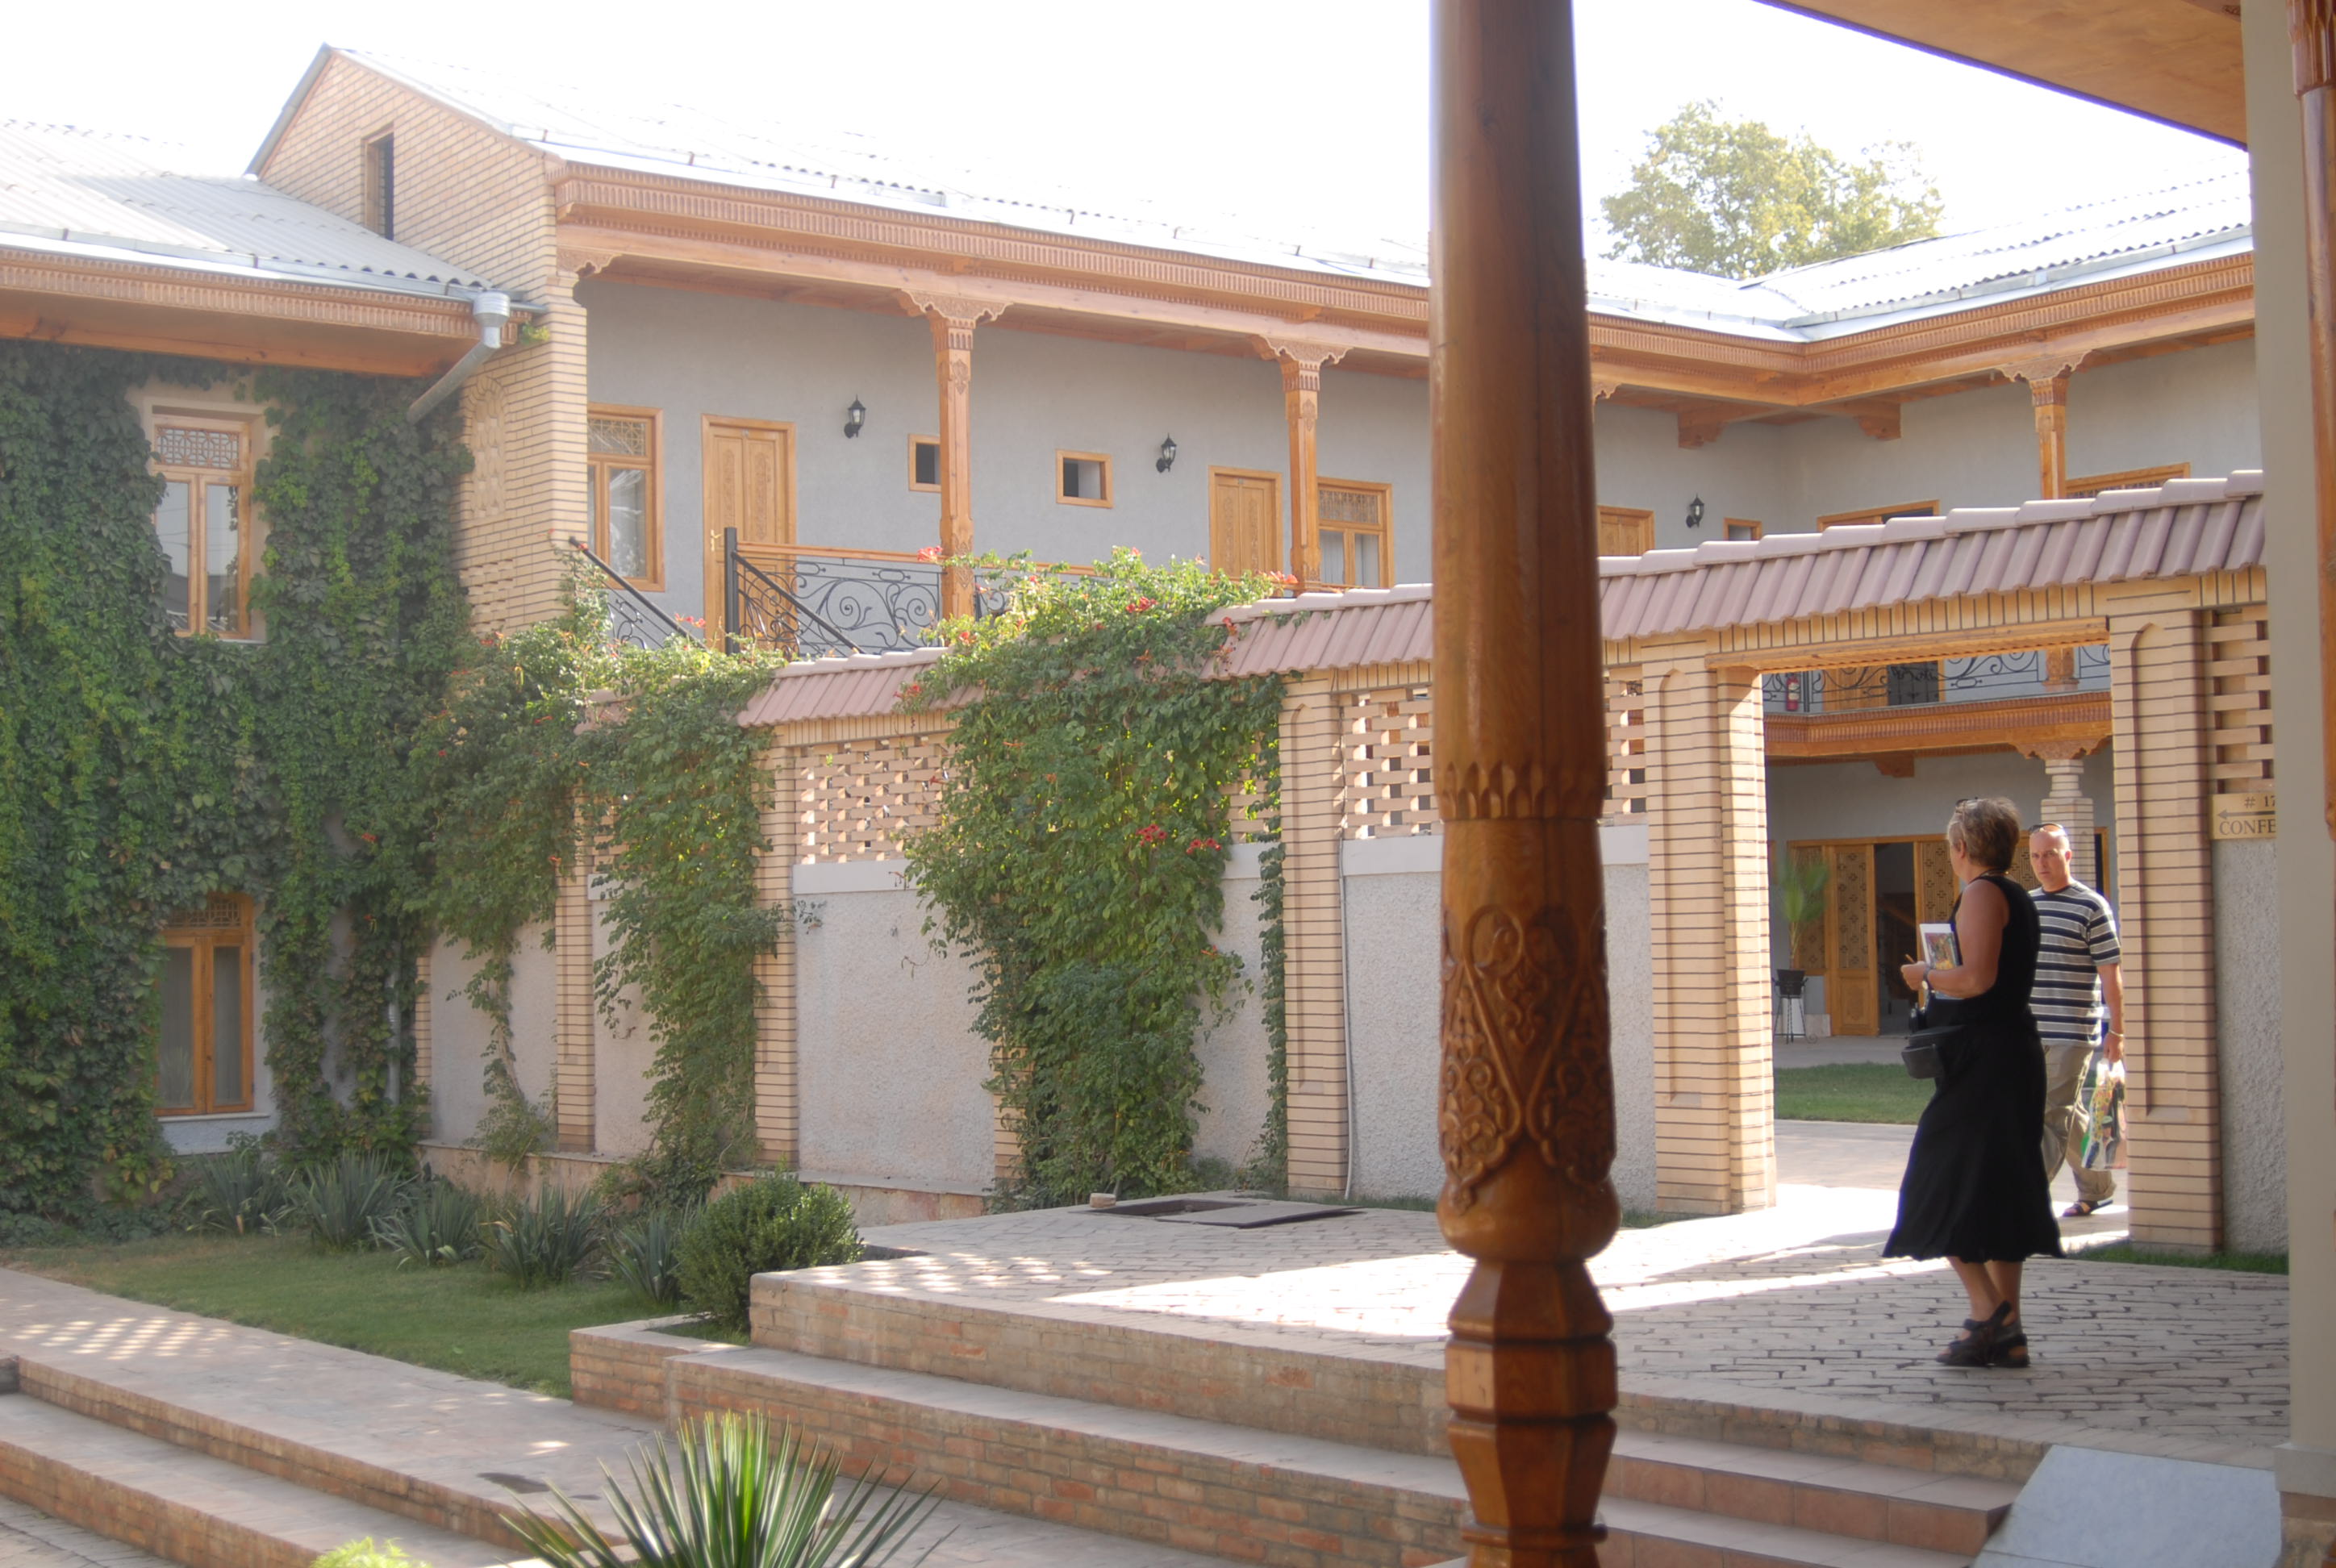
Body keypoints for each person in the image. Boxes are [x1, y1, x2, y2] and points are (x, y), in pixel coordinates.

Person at [1887, 796, 2063, 1368]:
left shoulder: (1985, 893)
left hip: (1988, 1063)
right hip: (2006, 1055)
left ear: (1961, 847)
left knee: (1936, 1180)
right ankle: (2007, 1337)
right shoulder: (2013, 894)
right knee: (1999, 1188)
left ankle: (1990, 1312)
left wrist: (1924, 974)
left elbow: (1977, 978)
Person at [2027, 824, 2125, 1218]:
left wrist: (2118, 1030)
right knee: (2067, 1112)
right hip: (2029, 1031)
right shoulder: (2026, 905)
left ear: (2067, 855)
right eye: (2035, 856)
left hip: (2073, 1031)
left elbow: (2111, 974)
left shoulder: (2091, 906)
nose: (2042, 863)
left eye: (2050, 854)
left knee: (2049, 1114)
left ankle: (2026, 1204)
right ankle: (2098, 1188)